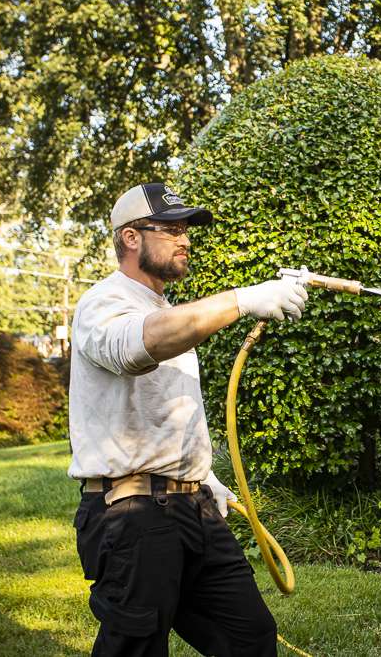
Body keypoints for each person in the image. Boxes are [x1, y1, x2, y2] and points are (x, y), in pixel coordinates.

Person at [68, 182, 308, 656]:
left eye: (187, 230)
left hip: (191, 507)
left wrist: (203, 476)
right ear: (131, 237)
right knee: (134, 646)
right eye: (171, 229)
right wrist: (242, 299)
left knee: (250, 637)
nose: (185, 240)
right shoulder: (104, 303)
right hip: (132, 515)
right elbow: (141, 346)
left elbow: (162, 412)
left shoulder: (167, 310)